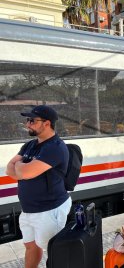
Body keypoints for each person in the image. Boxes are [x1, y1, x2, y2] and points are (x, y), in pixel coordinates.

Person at [6, 105, 71, 268]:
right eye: (27, 120)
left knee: (56, 251)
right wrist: (21, 169)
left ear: (47, 123)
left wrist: (20, 167)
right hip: (29, 210)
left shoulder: (55, 147)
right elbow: (9, 169)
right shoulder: (30, 145)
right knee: (31, 246)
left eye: (32, 121)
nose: (28, 124)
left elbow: (24, 172)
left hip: (49, 210)